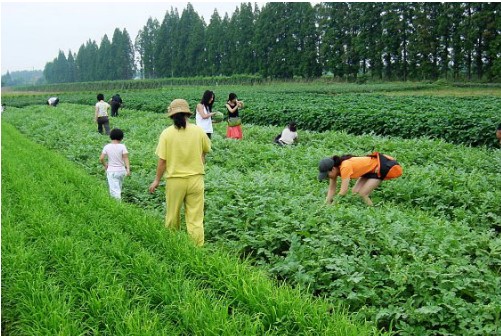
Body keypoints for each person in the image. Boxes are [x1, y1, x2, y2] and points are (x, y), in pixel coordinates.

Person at [149, 99, 212, 247]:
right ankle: (197, 249)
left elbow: (162, 161)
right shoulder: (198, 131)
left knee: (172, 217)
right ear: (187, 114)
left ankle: (173, 247)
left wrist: (157, 180)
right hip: (196, 179)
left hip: (175, 181)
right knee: (195, 219)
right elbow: (205, 152)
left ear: (172, 115)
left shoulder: (167, 134)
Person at [318, 152, 402, 206]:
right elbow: (332, 189)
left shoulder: (345, 167)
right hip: (367, 171)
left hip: (378, 168)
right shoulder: (334, 170)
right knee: (354, 192)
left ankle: (374, 212)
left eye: (327, 175)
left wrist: (332, 205)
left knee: (363, 194)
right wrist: (326, 204)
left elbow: (343, 191)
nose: (328, 178)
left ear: (332, 169)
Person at [99, 128, 130, 200]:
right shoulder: (123, 146)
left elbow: (101, 158)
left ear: (110, 136)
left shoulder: (107, 147)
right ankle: (117, 204)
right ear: (121, 138)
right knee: (118, 187)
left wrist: (105, 165)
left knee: (114, 191)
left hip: (112, 171)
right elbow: (126, 158)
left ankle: (117, 206)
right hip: (122, 171)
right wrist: (128, 169)